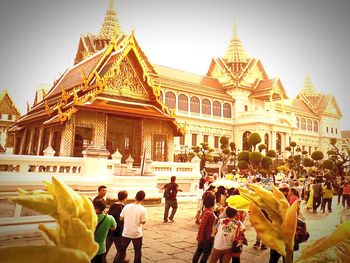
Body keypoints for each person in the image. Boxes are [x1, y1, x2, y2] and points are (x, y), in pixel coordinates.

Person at [115, 191, 147, 263]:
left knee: (121, 251)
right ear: (143, 199)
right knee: (137, 251)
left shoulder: (127, 206)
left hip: (126, 232)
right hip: (136, 233)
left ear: (135, 197)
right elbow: (143, 222)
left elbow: (121, 218)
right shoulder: (143, 209)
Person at [104, 191, 128, 263]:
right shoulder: (123, 207)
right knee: (121, 250)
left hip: (110, 230)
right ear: (125, 198)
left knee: (106, 248)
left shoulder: (112, 206)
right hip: (118, 232)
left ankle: (102, 260)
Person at [192, 194, 216, 263]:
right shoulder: (209, 213)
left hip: (206, 236)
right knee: (206, 253)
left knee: (200, 250)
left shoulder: (207, 210)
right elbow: (202, 226)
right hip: (206, 237)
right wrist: (200, 238)